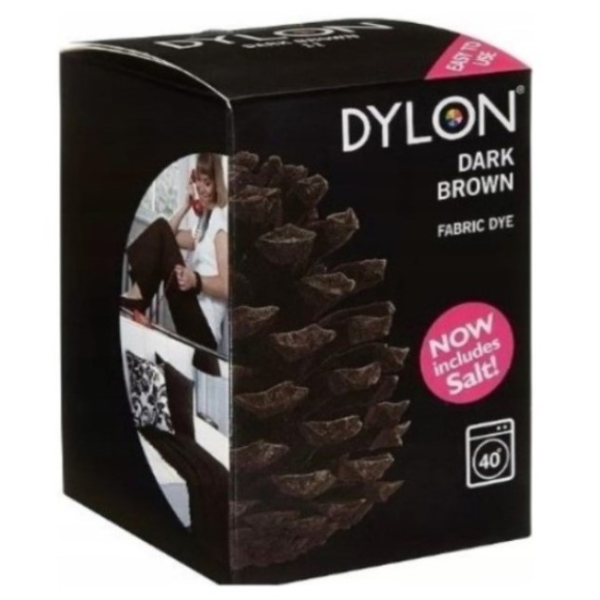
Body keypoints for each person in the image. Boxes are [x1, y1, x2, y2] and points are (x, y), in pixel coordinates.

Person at [121, 153, 228, 374]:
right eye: (198, 181)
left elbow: (227, 286)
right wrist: (186, 206)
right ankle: (136, 300)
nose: (202, 188)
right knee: (161, 226)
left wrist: (195, 280)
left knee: (160, 226)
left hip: (205, 331)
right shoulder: (203, 225)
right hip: (193, 316)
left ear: (217, 185)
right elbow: (166, 235)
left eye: (207, 183)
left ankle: (136, 301)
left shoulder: (220, 222)